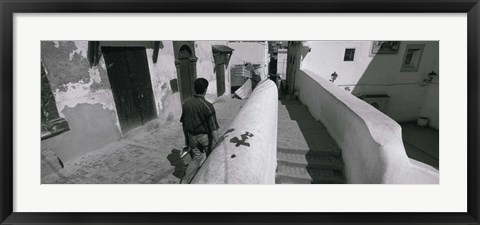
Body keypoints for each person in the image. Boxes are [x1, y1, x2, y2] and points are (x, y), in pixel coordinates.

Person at [179, 78, 220, 184]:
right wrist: (219, 144)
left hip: (191, 137)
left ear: (194, 89)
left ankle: (185, 181)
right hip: (205, 138)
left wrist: (187, 140)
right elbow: (213, 128)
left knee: (196, 159)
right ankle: (208, 180)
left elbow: (184, 125)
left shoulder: (186, 105)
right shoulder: (207, 106)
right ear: (205, 90)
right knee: (210, 158)